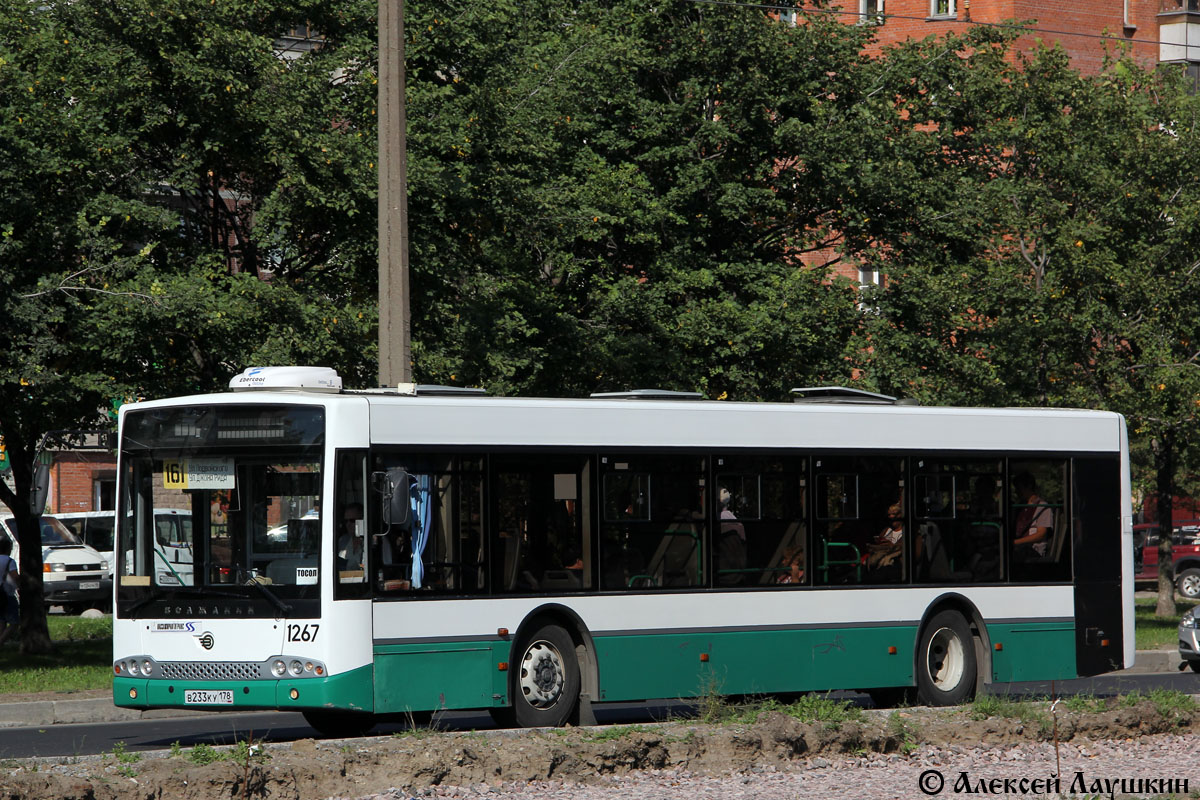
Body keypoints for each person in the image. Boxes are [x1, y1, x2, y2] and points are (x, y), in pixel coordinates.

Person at [1012, 472, 1053, 559]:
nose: (1016, 492)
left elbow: (1041, 535)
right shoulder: (1019, 507)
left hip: (1033, 550)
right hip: (1019, 548)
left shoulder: (1042, 506)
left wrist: (1015, 542)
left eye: (1019, 488)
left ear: (1029, 486)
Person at [866, 502, 904, 569]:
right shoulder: (887, 530)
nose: (891, 517)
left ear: (900, 515)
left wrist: (891, 545)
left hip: (892, 563)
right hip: (879, 558)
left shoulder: (905, 532)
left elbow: (902, 549)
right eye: (889, 515)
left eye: (894, 514)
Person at [0, 537, 18, 647]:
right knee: (14, 623)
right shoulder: (9, 561)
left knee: (1, 621)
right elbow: (14, 576)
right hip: (7, 593)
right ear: (8, 548)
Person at [336, 503, 365, 571]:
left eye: (352, 520)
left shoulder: (375, 542)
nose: (348, 524)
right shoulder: (342, 541)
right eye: (346, 521)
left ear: (362, 520)